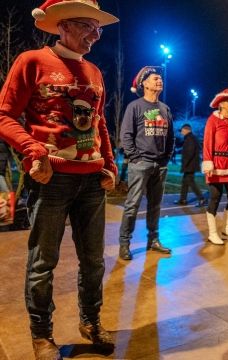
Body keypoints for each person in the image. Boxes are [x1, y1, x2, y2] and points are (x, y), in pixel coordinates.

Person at [0, 1, 118, 358]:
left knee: (94, 260)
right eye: (87, 26)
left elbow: (99, 124)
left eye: (98, 29)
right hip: (50, 180)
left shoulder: (95, 72)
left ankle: (91, 321)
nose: (95, 35)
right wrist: (34, 152)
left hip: (92, 181)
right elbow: (5, 115)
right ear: (62, 25)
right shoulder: (31, 61)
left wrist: (110, 166)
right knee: (43, 261)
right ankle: (41, 335)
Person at [118, 66, 174, 260]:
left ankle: (153, 240)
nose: (160, 81)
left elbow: (171, 137)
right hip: (140, 164)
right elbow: (126, 135)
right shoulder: (135, 107)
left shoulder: (165, 109)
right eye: (155, 78)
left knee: (155, 205)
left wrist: (166, 157)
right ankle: (125, 243)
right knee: (132, 204)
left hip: (160, 165)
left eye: (160, 78)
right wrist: (135, 157)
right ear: (144, 84)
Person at [202, 89, 228, 245]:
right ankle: (213, 233)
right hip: (216, 164)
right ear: (221, 104)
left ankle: (226, 228)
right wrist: (208, 162)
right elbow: (207, 143)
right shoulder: (213, 120)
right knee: (215, 198)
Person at [174, 124, 206, 207]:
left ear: (186, 130)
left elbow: (189, 153)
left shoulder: (190, 138)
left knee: (191, 182)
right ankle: (182, 199)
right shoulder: (190, 138)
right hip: (190, 164)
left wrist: (185, 165)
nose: (181, 132)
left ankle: (202, 199)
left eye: (182, 130)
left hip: (190, 165)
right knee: (185, 182)